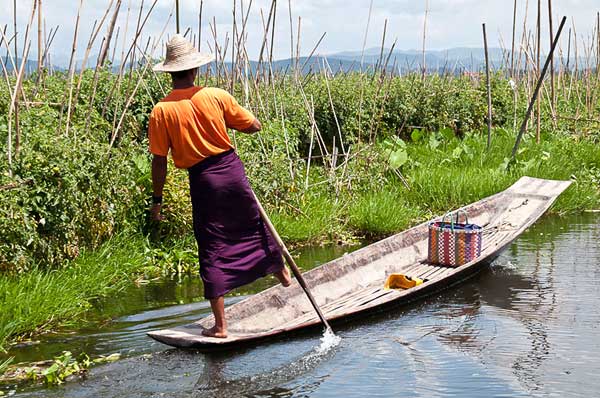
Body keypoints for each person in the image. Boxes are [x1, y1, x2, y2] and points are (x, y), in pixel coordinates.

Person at [148, 35, 291, 338]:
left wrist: (157, 201)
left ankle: (221, 326)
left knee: (212, 245)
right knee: (253, 224)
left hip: (204, 181)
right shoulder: (216, 95)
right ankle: (282, 273)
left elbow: (159, 161)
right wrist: (238, 121)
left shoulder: (161, 111)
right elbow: (253, 125)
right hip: (231, 171)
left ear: (171, 73)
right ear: (195, 70)